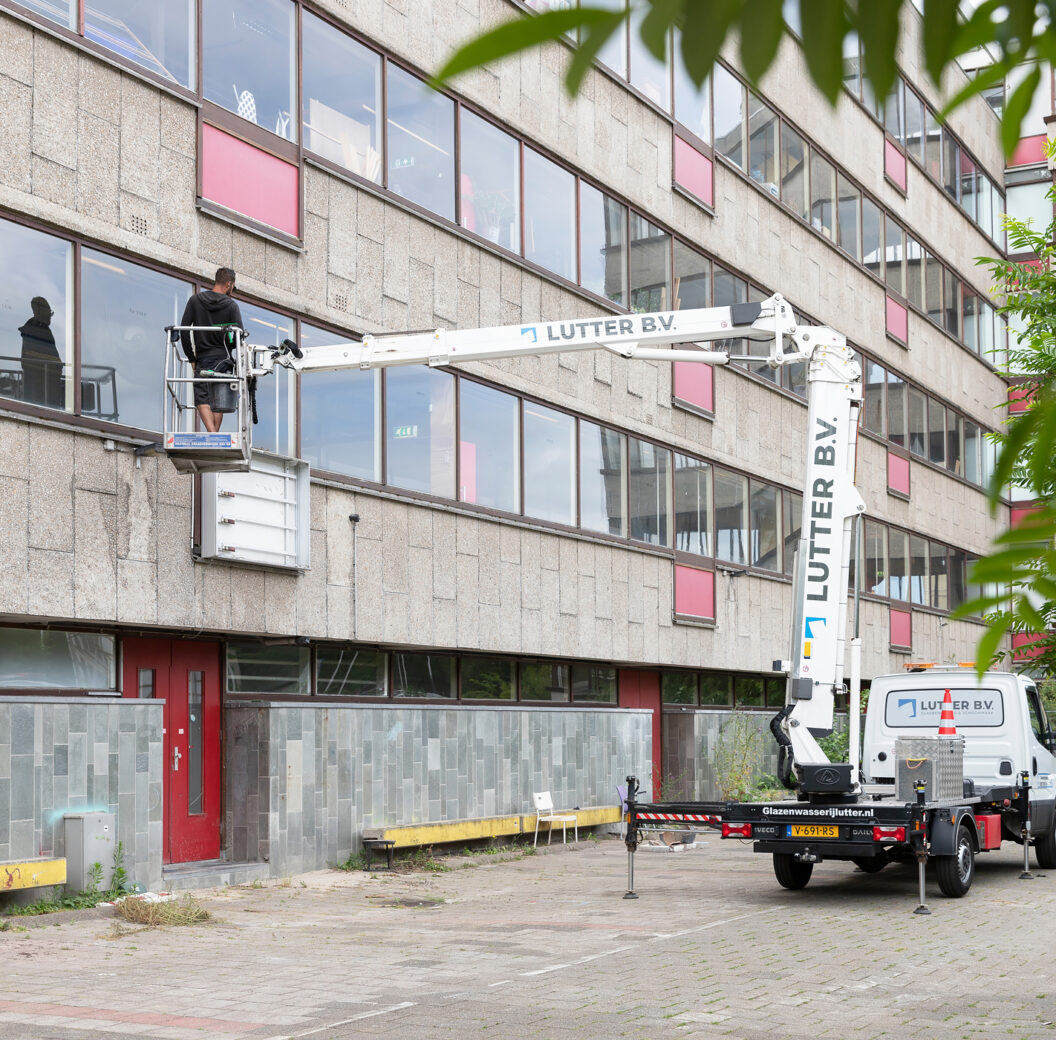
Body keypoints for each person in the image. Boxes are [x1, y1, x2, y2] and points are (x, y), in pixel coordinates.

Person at [179, 268, 244, 433]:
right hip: (224, 359)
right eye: (233, 288)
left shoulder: (195, 301)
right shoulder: (231, 305)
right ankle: (214, 435)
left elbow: (184, 331)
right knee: (218, 399)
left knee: (202, 396)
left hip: (203, 358)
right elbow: (239, 337)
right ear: (229, 284)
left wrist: (191, 357)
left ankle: (212, 434)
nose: (232, 291)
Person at [20, 296, 62, 409]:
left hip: (41, 388)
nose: (50, 316)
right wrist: (57, 365)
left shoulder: (35, 328)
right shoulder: (38, 329)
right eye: (49, 312)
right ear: (42, 312)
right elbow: (48, 359)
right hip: (41, 390)